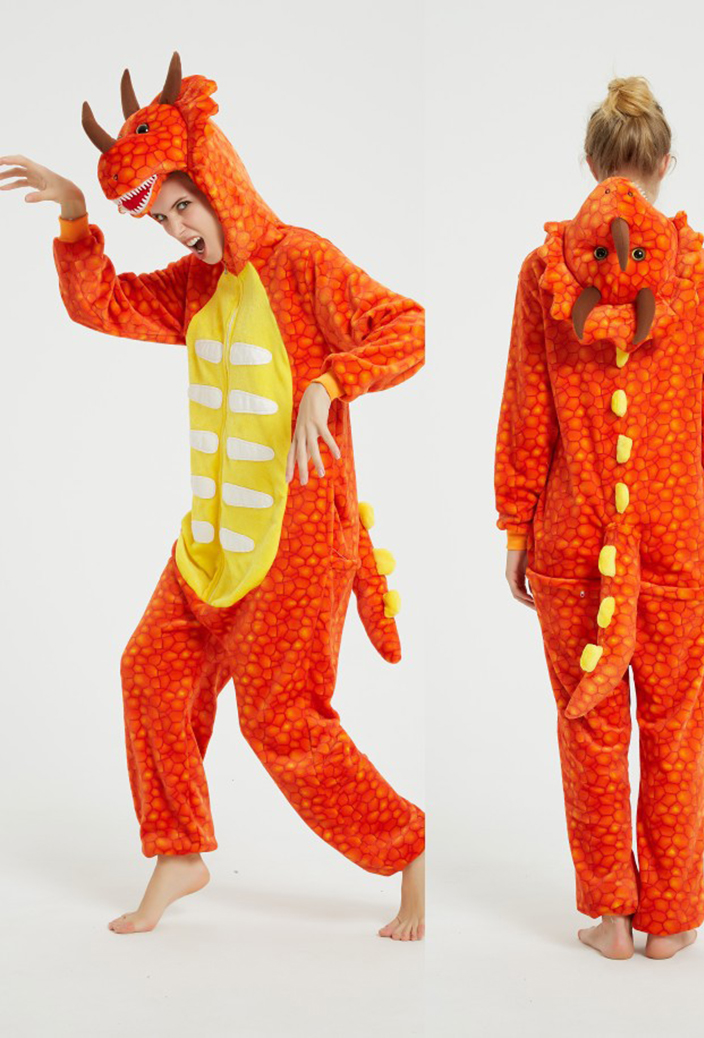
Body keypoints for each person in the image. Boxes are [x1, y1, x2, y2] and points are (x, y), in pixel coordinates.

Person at [0, 50, 425, 941]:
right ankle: (179, 851)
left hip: (299, 544)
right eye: (162, 219)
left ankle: (408, 849)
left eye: (183, 207)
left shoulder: (303, 262)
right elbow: (102, 305)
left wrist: (330, 384)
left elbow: (406, 326)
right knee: (150, 672)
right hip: (212, 542)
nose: (177, 230)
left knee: (281, 721)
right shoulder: (195, 285)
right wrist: (77, 218)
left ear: (218, 182)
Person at [494, 76, 704, 960]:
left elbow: (527, 410)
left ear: (589, 163)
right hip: (682, 534)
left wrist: (516, 525)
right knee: (676, 729)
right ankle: (670, 919)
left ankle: (610, 915)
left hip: (572, 535)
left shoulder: (545, 274)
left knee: (590, 725)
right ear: (666, 164)